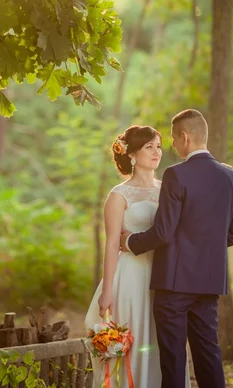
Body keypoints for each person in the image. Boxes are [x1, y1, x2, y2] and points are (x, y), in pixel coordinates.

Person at [120, 109, 233, 388]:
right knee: (208, 353)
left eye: (174, 140)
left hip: (174, 285)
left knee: (174, 359)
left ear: (185, 137)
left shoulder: (176, 175)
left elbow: (163, 233)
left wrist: (129, 241)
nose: (173, 146)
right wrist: (204, 244)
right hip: (210, 282)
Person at [85, 125, 191, 388]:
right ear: (131, 154)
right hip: (132, 275)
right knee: (135, 337)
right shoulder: (119, 195)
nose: (157, 152)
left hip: (165, 273)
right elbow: (112, 244)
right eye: (148, 147)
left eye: (158, 146)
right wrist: (107, 289)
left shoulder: (168, 188)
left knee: (164, 340)